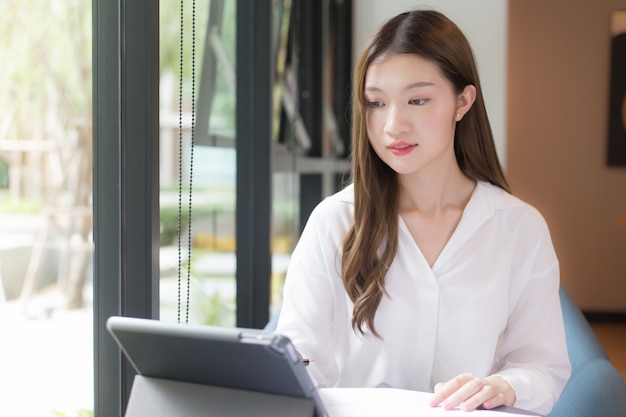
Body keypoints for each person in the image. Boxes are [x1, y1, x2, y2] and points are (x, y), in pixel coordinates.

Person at [275, 9, 570, 415]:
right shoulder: (333, 222)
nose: (393, 125)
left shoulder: (519, 228)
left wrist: (502, 385)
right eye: (376, 103)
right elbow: (299, 358)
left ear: (462, 102)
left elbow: (543, 367)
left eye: (417, 100)